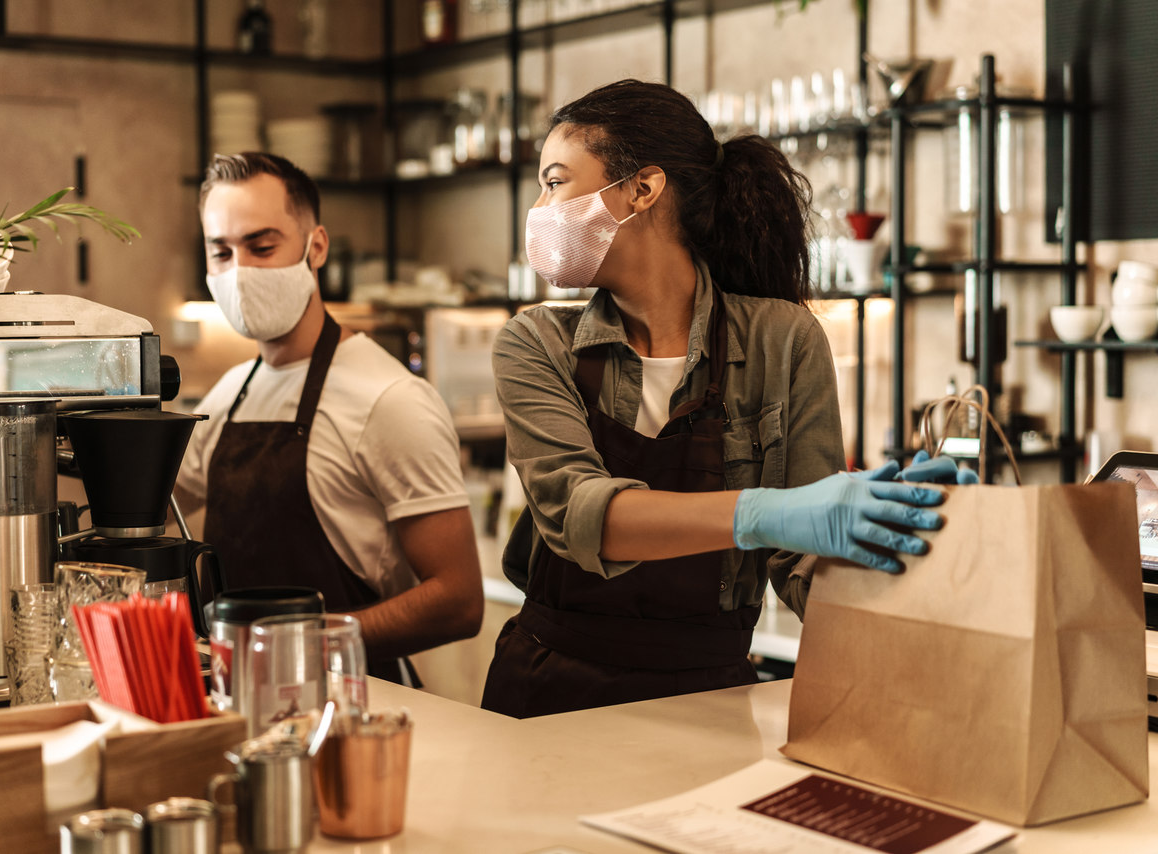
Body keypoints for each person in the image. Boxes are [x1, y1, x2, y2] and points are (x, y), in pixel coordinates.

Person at [481, 79, 974, 718]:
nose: (541, 207)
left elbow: (805, 566)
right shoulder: (537, 343)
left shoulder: (784, 340)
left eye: (554, 181)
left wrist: (901, 539)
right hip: (549, 697)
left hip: (709, 702)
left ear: (642, 189)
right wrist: (765, 511)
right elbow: (581, 515)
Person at [176, 152, 484, 686]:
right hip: (241, 695)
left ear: (315, 247)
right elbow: (156, 502)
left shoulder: (390, 399)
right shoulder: (229, 394)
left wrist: (297, 647)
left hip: (360, 702)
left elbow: (458, 602)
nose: (239, 272)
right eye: (220, 252)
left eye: (262, 246)